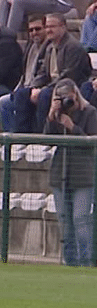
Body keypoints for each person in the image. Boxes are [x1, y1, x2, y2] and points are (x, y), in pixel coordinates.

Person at [44, 78, 97, 267]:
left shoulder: (90, 112)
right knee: (65, 222)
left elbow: (91, 142)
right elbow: (48, 140)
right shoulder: (57, 114)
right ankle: (70, 263)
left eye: (68, 96)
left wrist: (72, 127)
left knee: (81, 220)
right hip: (60, 173)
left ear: (75, 94)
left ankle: (87, 262)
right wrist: (52, 117)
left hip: (83, 174)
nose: (66, 100)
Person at [34, 13, 92, 133]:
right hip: (52, 85)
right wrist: (33, 87)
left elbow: (69, 75)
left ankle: (41, 138)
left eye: (52, 26)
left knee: (44, 95)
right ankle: (20, 139)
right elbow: (43, 72)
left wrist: (43, 88)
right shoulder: (49, 47)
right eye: (47, 26)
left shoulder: (73, 46)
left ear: (63, 27)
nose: (49, 30)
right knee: (18, 96)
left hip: (69, 87)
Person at [0, 14, 49, 133]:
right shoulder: (30, 46)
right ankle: (11, 140)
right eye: (31, 30)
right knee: (3, 103)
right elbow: (24, 74)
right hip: (23, 88)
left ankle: (21, 138)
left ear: (45, 28)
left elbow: (45, 75)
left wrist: (31, 89)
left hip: (38, 90)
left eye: (38, 29)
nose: (34, 32)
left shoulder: (50, 47)